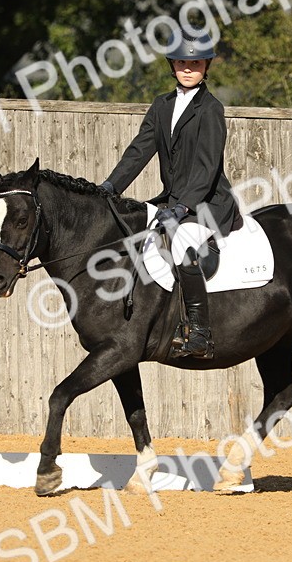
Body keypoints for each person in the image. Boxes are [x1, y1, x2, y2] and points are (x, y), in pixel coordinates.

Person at [98, 29, 242, 359]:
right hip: (172, 200)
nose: (187, 68)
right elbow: (139, 151)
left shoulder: (211, 109)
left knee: (184, 244)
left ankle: (200, 333)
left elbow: (206, 170)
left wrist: (182, 208)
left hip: (207, 202)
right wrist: (109, 187)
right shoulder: (162, 106)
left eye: (195, 62)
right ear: (172, 65)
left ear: (206, 65)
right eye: (181, 61)